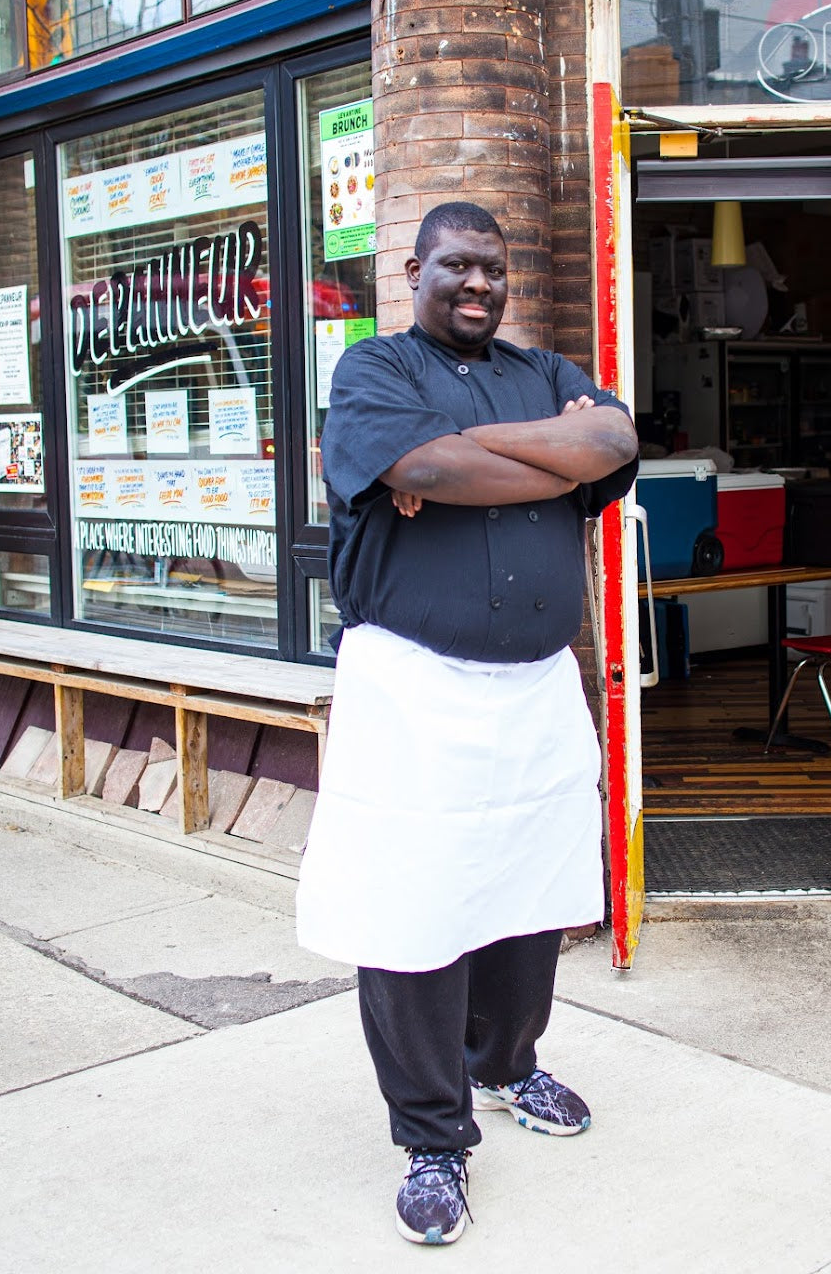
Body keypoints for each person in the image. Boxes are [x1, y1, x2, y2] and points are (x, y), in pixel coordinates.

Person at [297, 201, 639, 1245]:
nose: (477, 284)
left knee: (529, 893)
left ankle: (507, 1065)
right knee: (413, 911)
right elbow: (427, 471)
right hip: (412, 688)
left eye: (492, 267)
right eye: (456, 266)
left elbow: (616, 439)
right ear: (415, 269)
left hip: (536, 683)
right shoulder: (372, 372)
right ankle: (431, 1137)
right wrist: (529, 458)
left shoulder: (544, 368)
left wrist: (465, 448)